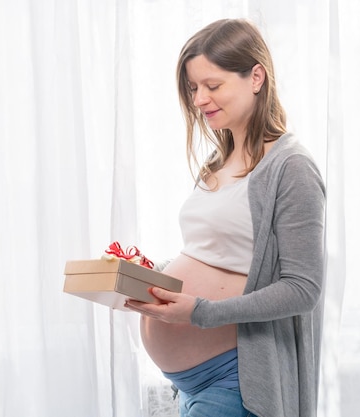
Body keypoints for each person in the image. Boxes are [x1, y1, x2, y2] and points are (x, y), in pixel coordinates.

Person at [125, 18, 326, 417]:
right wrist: (146, 272)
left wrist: (200, 312)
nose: (199, 100)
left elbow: (303, 288)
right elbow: (210, 255)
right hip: (190, 386)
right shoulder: (218, 163)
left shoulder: (291, 168)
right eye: (193, 88)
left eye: (212, 86)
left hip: (236, 380)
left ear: (256, 77)